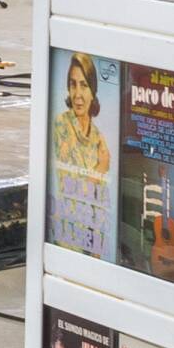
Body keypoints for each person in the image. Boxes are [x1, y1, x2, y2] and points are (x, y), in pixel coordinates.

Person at [49, 51, 112, 259]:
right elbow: (73, 187)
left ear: (93, 90)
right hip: (68, 239)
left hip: (92, 241)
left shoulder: (97, 137)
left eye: (84, 85)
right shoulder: (62, 124)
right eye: (73, 84)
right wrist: (101, 168)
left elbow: (100, 200)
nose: (77, 94)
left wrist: (98, 248)